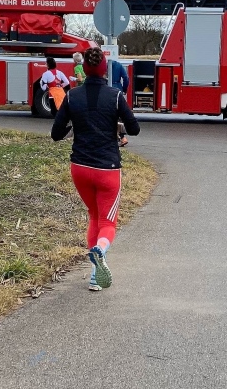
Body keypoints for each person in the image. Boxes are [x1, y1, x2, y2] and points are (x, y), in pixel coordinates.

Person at [51, 47, 140, 291]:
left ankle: (95, 277)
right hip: (107, 169)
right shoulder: (115, 96)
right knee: (108, 223)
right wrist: (117, 124)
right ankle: (100, 250)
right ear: (104, 70)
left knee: (93, 215)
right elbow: (134, 129)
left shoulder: (72, 96)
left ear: (84, 68)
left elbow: (56, 134)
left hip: (80, 168)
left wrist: (76, 126)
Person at [110, 60, 131, 147]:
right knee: (119, 114)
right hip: (118, 88)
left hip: (107, 89)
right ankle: (122, 137)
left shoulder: (103, 64)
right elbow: (126, 78)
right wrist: (124, 88)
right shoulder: (118, 65)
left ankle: (120, 137)